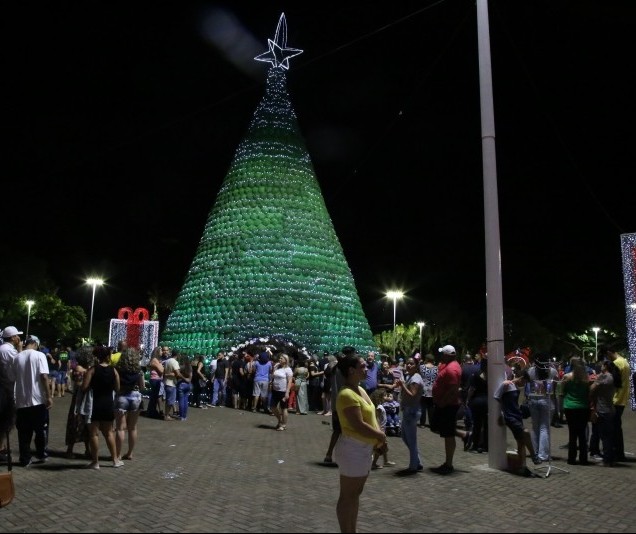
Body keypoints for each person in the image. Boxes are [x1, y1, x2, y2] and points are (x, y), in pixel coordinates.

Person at [334, 352, 387, 534]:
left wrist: (378, 437)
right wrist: (380, 436)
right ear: (351, 370)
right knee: (347, 495)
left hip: (363, 448)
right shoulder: (347, 394)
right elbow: (358, 425)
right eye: (362, 366)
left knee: (355, 495)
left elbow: (371, 416)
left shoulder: (360, 389)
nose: (366, 369)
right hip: (352, 449)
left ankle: (351, 529)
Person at [430, 345, 471, 475]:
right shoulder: (450, 365)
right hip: (445, 405)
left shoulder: (452, 369)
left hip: (448, 406)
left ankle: (448, 464)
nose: (441, 356)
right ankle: (463, 435)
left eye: (443, 354)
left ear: (448, 355)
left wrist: (443, 401)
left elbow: (453, 389)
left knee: (447, 434)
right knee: (439, 428)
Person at [13, 335, 52, 467]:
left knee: (23, 432)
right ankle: (41, 453)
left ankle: (25, 458)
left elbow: (14, 377)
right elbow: (44, 376)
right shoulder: (39, 355)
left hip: (21, 399)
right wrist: (49, 396)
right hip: (37, 399)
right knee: (40, 429)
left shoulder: (17, 357)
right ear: (35, 343)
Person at [493, 370, 539, 477]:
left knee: (521, 441)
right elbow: (496, 397)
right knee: (526, 433)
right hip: (510, 416)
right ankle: (533, 456)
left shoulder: (515, 387)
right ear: (521, 378)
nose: (524, 385)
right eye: (524, 382)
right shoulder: (506, 385)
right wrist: (501, 413)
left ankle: (522, 467)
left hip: (516, 414)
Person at [82, 346, 121, 469]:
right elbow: (117, 388)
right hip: (108, 403)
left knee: (94, 434)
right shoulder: (114, 371)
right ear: (108, 356)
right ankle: (115, 460)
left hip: (94, 403)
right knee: (109, 433)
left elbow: (84, 387)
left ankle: (95, 462)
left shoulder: (92, 370)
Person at [525, 352, 558, 463]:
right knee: (544, 428)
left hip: (533, 399)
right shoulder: (552, 372)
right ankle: (543, 454)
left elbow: (528, 382)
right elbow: (555, 385)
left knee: (535, 427)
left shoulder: (531, 371)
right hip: (546, 399)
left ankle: (534, 452)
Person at [115, 347, 146, 460]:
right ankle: (130, 453)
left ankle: (117, 454)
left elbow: (116, 386)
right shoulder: (138, 370)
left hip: (122, 396)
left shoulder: (117, 369)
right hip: (135, 396)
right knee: (132, 427)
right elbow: (142, 387)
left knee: (120, 428)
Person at [395, 356, 424, 474]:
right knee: (405, 437)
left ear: (416, 366)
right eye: (407, 363)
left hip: (411, 411)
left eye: (412, 364)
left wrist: (402, 386)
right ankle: (417, 461)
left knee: (411, 440)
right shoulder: (410, 377)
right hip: (408, 410)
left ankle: (413, 466)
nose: (409, 365)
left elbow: (412, 394)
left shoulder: (415, 378)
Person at [561, 356, 591, 465]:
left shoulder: (567, 377)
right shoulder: (586, 378)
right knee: (582, 434)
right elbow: (589, 393)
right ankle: (584, 459)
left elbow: (561, 391)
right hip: (583, 407)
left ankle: (571, 459)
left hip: (570, 406)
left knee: (572, 434)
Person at [604, 345, 631, 461]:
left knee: (612, 428)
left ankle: (616, 453)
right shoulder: (624, 362)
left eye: (606, 355)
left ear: (610, 352)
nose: (607, 358)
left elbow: (613, 382)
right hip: (622, 398)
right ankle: (619, 453)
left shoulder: (617, 363)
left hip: (615, 399)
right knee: (617, 428)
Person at [589, 359, 617, 466]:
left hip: (603, 409)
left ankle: (607, 460)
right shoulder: (611, 376)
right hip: (609, 408)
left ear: (606, 366)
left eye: (602, 365)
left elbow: (592, 389)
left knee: (605, 436)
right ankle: (609, 457)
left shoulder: (605, 377)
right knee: (608, 435)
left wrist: (596, 380)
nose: (600, 366)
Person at [0, 326, 22, 455]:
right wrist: (20, 350)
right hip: (7, 388)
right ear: (13, 337)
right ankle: (1, 447)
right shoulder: (8, 350)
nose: (19, 338)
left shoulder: (3, 348)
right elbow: (19, 364)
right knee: (6, 420)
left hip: (5, 386)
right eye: (17, 335)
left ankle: (2, 446)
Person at [370, 390, 395, 470]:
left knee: (384, 445)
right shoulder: (378, 407)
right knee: (379, 447)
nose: (386, 397)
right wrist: (380, 430)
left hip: (382, 429)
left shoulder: (380, 405)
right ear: (379, 397)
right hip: (380, 429)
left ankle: (385, 461)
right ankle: (373, 463)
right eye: (384, 396)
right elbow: (377, 419)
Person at [271, 353, 293, 430]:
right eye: (279, 358)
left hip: (283, 391)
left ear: (285, 360)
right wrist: (274, 368)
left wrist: (287, 392)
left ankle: (283, 424)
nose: (279, 359)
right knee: (273, 407)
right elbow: (272, 376)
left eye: (281, 358)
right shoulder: (277, 367)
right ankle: (280, 420)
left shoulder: (288, 369)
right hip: (275, 390)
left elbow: (290, 381)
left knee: (284, 408)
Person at [419, 353, 438, 427]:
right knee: (431, 407)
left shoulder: (422, 367)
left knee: (422, 407)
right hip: (432, 389)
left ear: (426, 359)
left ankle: (422, 423)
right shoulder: (436, 368)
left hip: (423, 388)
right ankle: (431, 423)